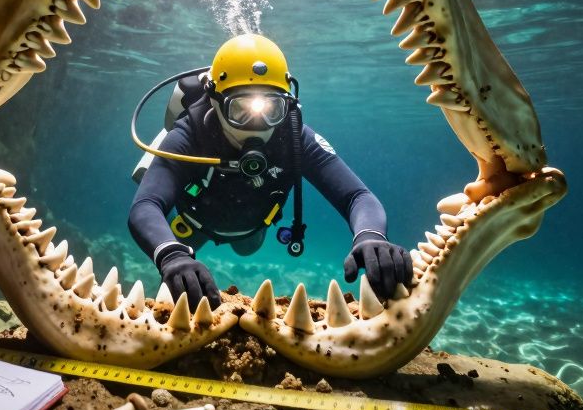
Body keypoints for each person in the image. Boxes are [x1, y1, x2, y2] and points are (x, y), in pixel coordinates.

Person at [127, 34, 412, 309]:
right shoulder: (190, 133)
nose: (259, 124)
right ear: (214, 100)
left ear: (286, 103)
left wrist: (371, 235)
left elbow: (357, 196)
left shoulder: (294, 137)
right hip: (192, 225)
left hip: (253, 229)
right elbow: (146, 205)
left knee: (247, 247)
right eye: (240, 110)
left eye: (271, 109)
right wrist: (171, 254)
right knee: (180, 279)